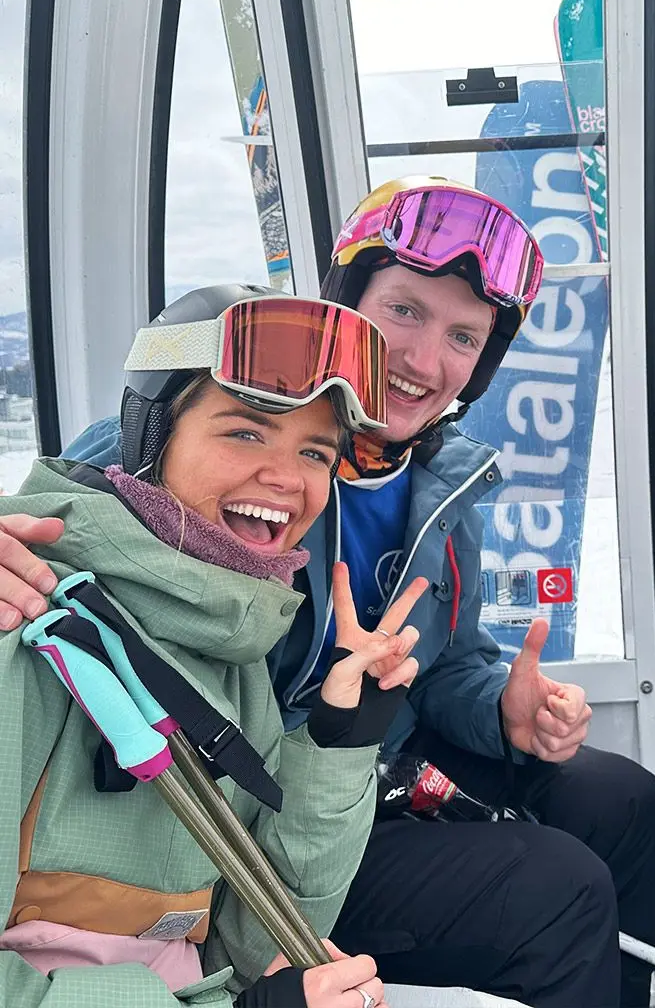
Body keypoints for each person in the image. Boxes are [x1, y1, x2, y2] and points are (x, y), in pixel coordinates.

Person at [0, 178, 655, 1008]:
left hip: (362, 754)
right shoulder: (195, 450)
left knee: (620, 799)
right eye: (406, 312)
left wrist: (504, 711)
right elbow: (75, 514)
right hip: (252, 789)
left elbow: (451, 665)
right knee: (557, 887)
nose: (425, 361)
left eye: (463, 335)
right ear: (347, 308)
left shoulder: (443, 485)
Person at [0, 283, 427, 1008]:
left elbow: (251, 946)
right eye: (245, 432)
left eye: (317, 453)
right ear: (152, 438)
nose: (288, 479)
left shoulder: (230, 649)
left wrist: (341, 738)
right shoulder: (24, 619)